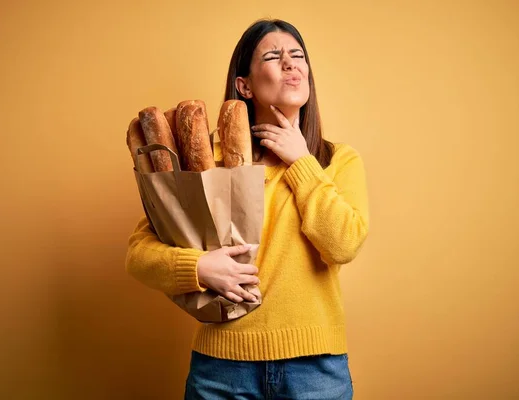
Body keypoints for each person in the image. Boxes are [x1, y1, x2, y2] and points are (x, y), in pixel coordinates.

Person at [126, 18, 369, 400]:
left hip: (316, 370)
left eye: (298, 55)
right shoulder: (205, 162)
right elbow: (138, 254)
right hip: (221, 369)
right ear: (244, 85)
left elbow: (343, 244)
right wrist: (199, 268)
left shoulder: (335, 160)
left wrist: (301, 161)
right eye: (273, 56)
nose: (291, 64)